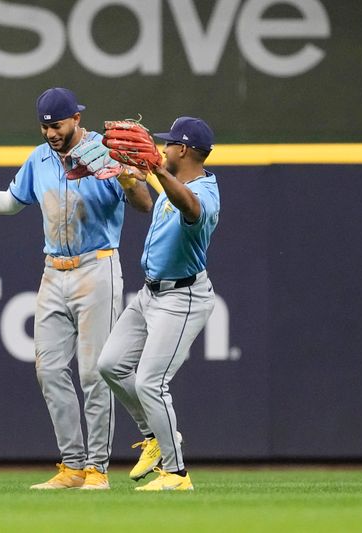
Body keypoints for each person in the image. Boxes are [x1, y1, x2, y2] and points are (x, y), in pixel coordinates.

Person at [0, 88, 153, 490]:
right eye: (45, 126)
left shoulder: (105, 152)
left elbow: (143, 204)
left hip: (97, 267)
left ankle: (98, 469)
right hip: (54, 271)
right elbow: (13, 202)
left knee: (94, 373)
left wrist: (129, 178)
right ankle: (73, 466)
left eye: (57, 125)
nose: (50, 133)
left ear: (77, 119)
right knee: (48, 370)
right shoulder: (39, 158)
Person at [97, 116, 220, 491]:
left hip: (182, 298)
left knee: (152, 382)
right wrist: (129, 174)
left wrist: (154, 170)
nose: (163, 148)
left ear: (183, 150)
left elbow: (191, 208)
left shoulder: (204, 192)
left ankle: (177, 474)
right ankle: (154, 436)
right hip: (150, 293)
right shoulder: (172, 180)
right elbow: (153, 186)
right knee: (111, 365)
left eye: (169, 144)